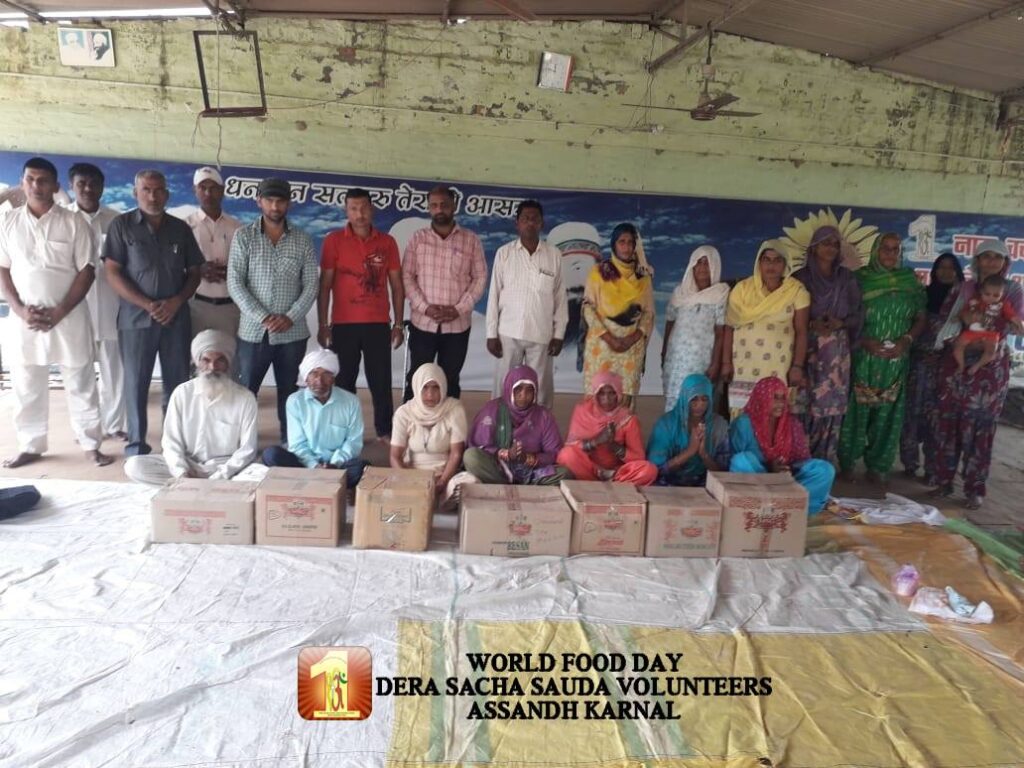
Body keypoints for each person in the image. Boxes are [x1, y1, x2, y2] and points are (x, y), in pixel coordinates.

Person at [0, 157, 112, 468]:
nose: (36, 185)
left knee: (81, 382)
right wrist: (19, 309)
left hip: (68, 317)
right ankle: (30, 445)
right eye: (30, 179)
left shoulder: (74, 222)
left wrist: (61, 310)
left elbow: (87, 270)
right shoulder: (7, 223)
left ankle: (90, 444)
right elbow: (3, 270)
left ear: (55, 186)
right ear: (22, 183)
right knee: (26, 384)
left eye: (43, 180)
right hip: (25, 320)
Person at [104, 169, 203, 456]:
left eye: (158, 190)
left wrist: (176, 301)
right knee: (136, 384)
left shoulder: (180, 229)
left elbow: (194, 272)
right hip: (136, 320)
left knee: (177, 383)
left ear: (167, 194)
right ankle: (136, 445)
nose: (152, 196)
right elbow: (112, 272)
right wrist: (147, 304)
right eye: (146, 190)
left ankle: (174, 444)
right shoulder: (121, 226)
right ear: (135, 193)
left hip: (175, 319)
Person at [932, 239, 1024, 509]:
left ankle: (975, 488)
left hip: (990, 367)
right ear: (977, 260)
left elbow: (1013, 324)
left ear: (1005, 262)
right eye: (986, 256)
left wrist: (990, 325)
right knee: (949, 423)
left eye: (997, 257)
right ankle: (944, 480)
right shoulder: (963, 288)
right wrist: (963, 322)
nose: (992, 261)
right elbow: (945, 318)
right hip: (957, 365)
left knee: (982, 428)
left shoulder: (1013, 290)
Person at [227, 177, 317, 442]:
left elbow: (311, 284)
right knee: (246, 391)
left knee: (289, 392)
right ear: (259, 201)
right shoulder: (244, 237)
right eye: (269, 200)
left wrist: (290, 316)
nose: (275, 206)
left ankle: (291, 442)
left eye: (280, 201)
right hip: (253, 332)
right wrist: (263, 317)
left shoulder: (302, 239)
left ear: (289, 203)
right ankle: (242, 443)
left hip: (293, 333)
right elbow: (235, 282)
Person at [837, 233, 926, 483]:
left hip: (896, 359)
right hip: (864, 357)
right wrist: (866, 341)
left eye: (895, 249)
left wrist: (905, 341)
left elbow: (921, 318)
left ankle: (878, 466)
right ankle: (847, 462)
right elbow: (847, 318)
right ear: (875, 250)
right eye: (885, 248)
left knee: (889, 412)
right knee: (857, 410)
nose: (890, 253)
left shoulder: (910, 281)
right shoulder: (860, 279)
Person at [317, 187, 404, 441]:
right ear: (346, 211)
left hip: (378, 324)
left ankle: (385, 431)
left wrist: (398, 324)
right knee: (344, 382)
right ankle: (344, 431)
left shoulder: (387, 242)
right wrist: (323, 324)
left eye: (364, 208)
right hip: (343, 325)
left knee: (381, 381)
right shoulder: (334, 241)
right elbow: (325, 286)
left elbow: (397, 286)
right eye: (353, 208)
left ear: (372, 209)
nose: (360, 214)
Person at [123, 330, 258, 485]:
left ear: (228, 363)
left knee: (260, 475)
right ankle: (195, 486)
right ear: (197, 362)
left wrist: (220, 476)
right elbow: (171, 442)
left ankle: (190, 488)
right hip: (189, 465)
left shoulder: (245, 398)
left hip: (226, 468)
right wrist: (181, 472)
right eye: (206, 360)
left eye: (220, 360)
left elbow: (248, 449)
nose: (212, 367)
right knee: (134, 466)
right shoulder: (182, 393)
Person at [401, 185, 487, 401]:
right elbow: (407, 276)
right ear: (429, 208)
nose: (439, 209)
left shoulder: (470, 240)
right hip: (423, 324)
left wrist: (458, 309)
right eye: (434, 205)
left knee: (450, 380)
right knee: (418, 377)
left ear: (454, 206)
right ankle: (412, 421)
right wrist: (425, 307)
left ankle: (449, 422)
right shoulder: (418, 239)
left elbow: (480, 278)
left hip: (457, 325)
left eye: (444, 205)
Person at [484, 199, 568, 408]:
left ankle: (540, 426)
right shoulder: (504, 253)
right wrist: (491, 334)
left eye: (535, 219)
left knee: (540, 389)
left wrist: (558, 335)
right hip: (508, 332)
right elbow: (494, 295)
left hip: (541, 333)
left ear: (542, 223)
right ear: (517, 223)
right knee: (503, 385)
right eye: (525, 219)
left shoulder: (554, 255)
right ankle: (500, 423)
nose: (530, 223)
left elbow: (560, 298)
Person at [791, 226, 863, 464]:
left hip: (835, 356)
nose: (831, 248)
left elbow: (858, 314)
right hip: (806, 351)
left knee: (830, 410)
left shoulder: (846, 279)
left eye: (835, 244)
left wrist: (840, 322)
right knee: (802, 408)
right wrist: (810, 323)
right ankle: (799, 465)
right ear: (814, 247)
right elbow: (787, 316)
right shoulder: (799, 279)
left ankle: (823, 467)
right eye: (825, 243)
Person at [66, 161, 126, 440]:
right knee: (80, 375)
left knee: (116, 373)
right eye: (82, 183)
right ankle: (86, 430)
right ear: (72, 186)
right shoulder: (63, 219)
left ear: (102, 187)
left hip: (113, 309)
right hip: (76, 311)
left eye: (94, 184)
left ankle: (115, 425)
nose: (88, 189)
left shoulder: (117, 221)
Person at [722, 240, 810, 416]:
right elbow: (730, 327)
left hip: (779, 366)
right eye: (766, 260)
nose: (771, 265)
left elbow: (802, 331)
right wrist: (726, 363)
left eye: (777, 260)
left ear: (785, 264)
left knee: (775, 415)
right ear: (759, 263)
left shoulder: (796, 291)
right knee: (743, 416)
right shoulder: (742, 289)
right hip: (744, 366)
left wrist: (797, 366)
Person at [899, 253, 964, 484]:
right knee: (912, 414)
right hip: (918, 366)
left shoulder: (962, 302)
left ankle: (932, 469)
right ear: (934, 271)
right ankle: (909, 463)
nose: (946, 272)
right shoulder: (923, 296)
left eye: (951, 268)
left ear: (958, 272)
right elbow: (910, 325)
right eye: (941, 267)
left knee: (937, 419)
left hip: (945, 370)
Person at [729, 376, 836, 516]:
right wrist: (769, 470)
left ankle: (794, 509)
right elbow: (733, 462)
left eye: (783, 398)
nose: (780, 403)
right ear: (761, 398)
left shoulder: (792, 424)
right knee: (741, 460)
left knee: (824, 470)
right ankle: (768, 505)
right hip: (756, 481)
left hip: (786, 482)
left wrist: (785, 471)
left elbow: (802, 459)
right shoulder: (743, 423)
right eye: (774, 397)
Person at [262, 348, 368, 487]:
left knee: (362, 468)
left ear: (333, 377)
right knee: (271, 455)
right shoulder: (295, 401)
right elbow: (297, 444)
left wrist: (334, 464)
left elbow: (354, 442)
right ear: (305, 378)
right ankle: (331, 484)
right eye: (313, 374)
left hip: (338, 466)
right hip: (305, 464)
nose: (319, 380)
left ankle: (310, 484)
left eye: (326, 374)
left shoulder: (351, 401)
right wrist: (315, 466)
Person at [581, 222, 655, 408]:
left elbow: (648, 313)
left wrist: (632, 338)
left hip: (631, 347)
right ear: (614, 244)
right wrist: (610, 338)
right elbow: (588, 308)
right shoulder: (599, 272)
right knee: (598, 400)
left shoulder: (643, 277)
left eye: (630, 243)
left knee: (624, 405)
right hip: (601, 345)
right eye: (622, 242)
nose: (627, 247)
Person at [463, 365, 569, 485]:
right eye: (518, 389)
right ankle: (509, 483)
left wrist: (528, 458)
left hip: (532, 472)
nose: (524, 395)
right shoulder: (492, 410)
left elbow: (553, 453)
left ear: (535, 392)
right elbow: (478, 446)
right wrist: (506, 454)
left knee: (565, 473)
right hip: (498, 469)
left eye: (529, 390)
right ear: (509, 389)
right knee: (471, 457)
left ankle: (512, 485)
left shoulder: (543, 416)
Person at [390, 363, 470, 505]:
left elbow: (456, 454)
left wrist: (442, 482)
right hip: (412, 475)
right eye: (425, 387)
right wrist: (410, 481)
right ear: (417, 387)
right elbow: (394, 456)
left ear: (443, 387)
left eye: (436, 387)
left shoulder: (454, 409)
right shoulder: (404, 413)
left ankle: (438, 497)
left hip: (445, 475)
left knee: (470, 481)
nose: (430, 394)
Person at [556, 371, 657, 485]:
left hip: (616, 472)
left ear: (619, 393)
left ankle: (611, 481)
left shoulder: (628, 419)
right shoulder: (582, 412)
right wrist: (597, 441)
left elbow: (638, 457)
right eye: (601, 393)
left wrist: (614, 446)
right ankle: (605, 483)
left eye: (612, 393)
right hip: (588, 468)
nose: (607, 399)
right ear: (595, 394)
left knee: (649, 470)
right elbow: (571, 445)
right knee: (566, 455)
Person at [660, 245, 729, 411]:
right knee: (675, 401)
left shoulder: (720, 294)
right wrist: (664, 353)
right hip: (676, 359)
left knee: (698, 403)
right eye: (698, 262)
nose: (702, 267)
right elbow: (670, 323)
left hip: (702, 360)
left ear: (714, 266)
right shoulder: (680, 293)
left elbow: (720, 332)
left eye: (707, 263)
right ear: (692, 266)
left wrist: (715, 363)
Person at [186, 166, 242, 342]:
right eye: (202, 188)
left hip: (230, 308)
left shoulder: (238, 228)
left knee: (229, 356)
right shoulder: (184, 227)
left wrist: (232, 273)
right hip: (195, 306)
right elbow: (173, 266)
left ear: (222, 191)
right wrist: (198, 270)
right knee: (195, 356)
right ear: (195, 190)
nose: (208, 193)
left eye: (213, 188)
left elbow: (248, 267)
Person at [646, 373, 731, 487]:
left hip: (704, 484)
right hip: (669, 482)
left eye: (704, 399)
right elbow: (656, 470)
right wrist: (689, 452)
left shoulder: (718, 425)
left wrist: (704, 454)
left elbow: (723, 473)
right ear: (684, 397)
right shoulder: (666, 424)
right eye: (694, 399)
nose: (700, 405)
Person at [951, 274, 1023, 374]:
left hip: (991, 335)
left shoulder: (1003, 304)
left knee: (991, 352)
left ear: (1002, 294)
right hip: (972, 332)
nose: (991, 297)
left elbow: (1012, 316)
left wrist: (1020, 326)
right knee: (957, 347)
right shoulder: (974, 301)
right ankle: (961, 365)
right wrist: (958, 317)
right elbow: (964, 312)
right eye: (987, 294)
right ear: (981, 291)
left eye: (996, 295)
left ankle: (977, 366)